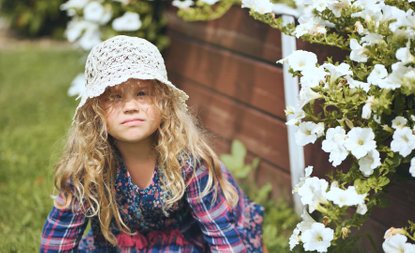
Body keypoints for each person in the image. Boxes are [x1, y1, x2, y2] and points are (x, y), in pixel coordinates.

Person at [40, 35, 264, 252]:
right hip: (123, 242)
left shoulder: (188, 160)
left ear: (164, 102)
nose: (130, 107)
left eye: (141, 93)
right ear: (95, 110)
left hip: (185, 239)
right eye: (114, 96)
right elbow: (61, 233)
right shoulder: (88, 164)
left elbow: (220, 232)